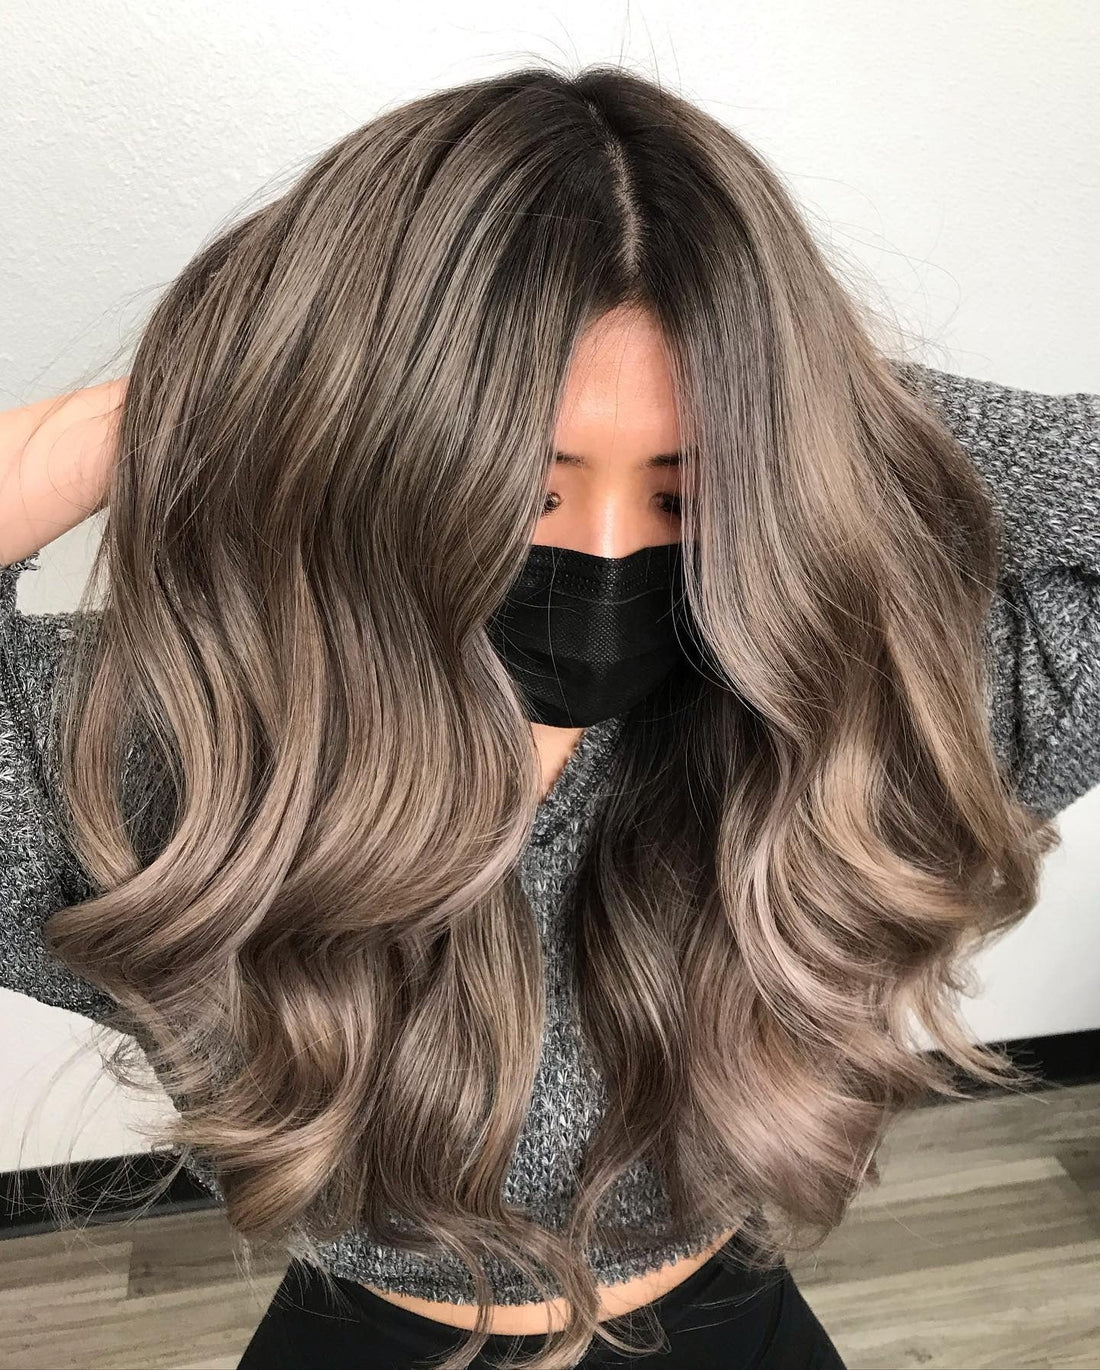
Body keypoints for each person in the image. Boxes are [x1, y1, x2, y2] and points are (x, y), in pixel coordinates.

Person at [1, 62, 1097, 1370]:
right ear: (372, 452)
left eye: (685, 491)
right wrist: (207, 397)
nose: (611, 551)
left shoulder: (860, 720)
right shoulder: (155, 747)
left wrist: (817, 400)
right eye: (528, 483)